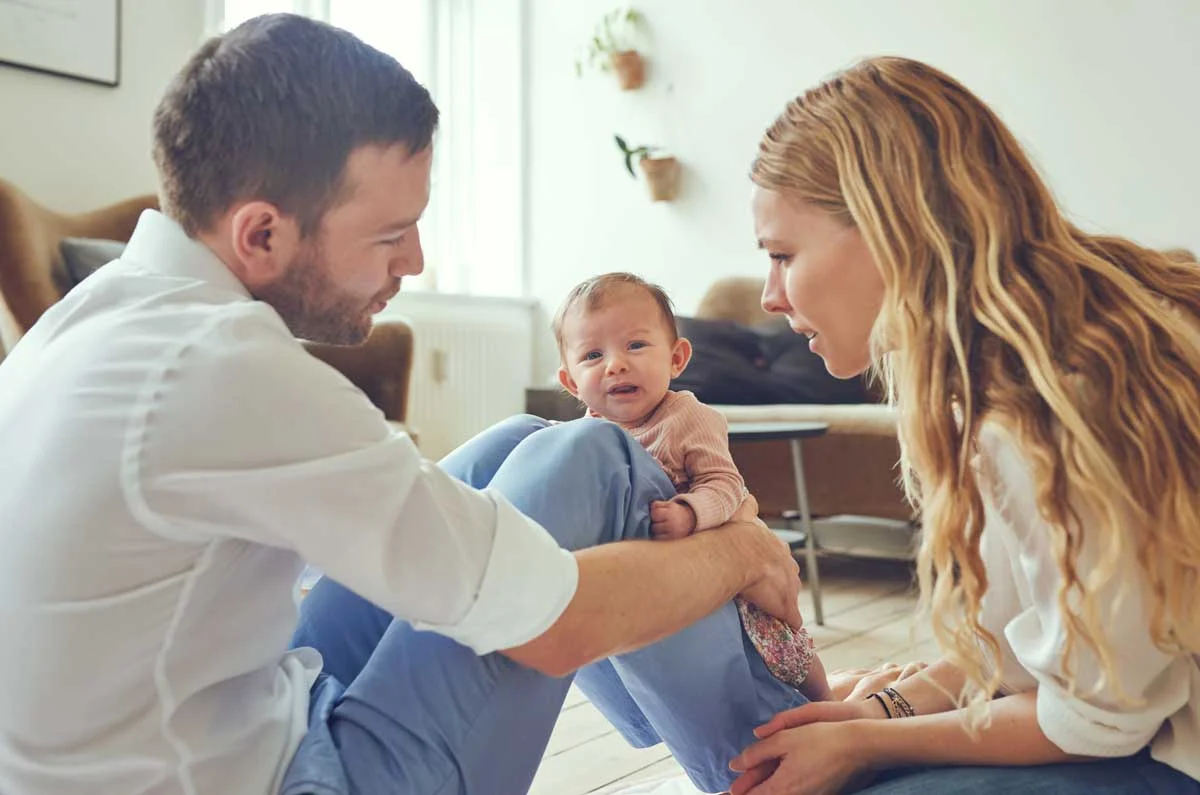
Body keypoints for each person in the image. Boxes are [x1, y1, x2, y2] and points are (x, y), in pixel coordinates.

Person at [0, 15, 808, 795]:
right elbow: (563, 624)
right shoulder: (221, 367)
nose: (415, 261)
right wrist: (746, 550)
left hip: (244, 717)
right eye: (392, 234)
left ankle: (762, 740)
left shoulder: (102, 313)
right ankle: (776, 761)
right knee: (592, 456)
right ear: (261, 235)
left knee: (522, 440)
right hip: (278, 774)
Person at [726, 55, 1200, 795]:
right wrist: (878, 708)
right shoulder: (1000, 366)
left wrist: (865, 746)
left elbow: (1099, 720)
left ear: (891, 228)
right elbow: (1023, 648)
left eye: (784, 255)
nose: (770, 296)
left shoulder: (1039, 404)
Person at [552, 271, 833, 702]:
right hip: (649, 585)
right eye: (592, 355)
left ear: (677, 359)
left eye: (636, 345)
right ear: (571, 382)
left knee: (785, 647)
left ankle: (827, 701)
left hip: (721, 571)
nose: (616, 364)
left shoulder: (687, 417)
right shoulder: (581, 441)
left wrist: (689, 511)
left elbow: (725, 484)